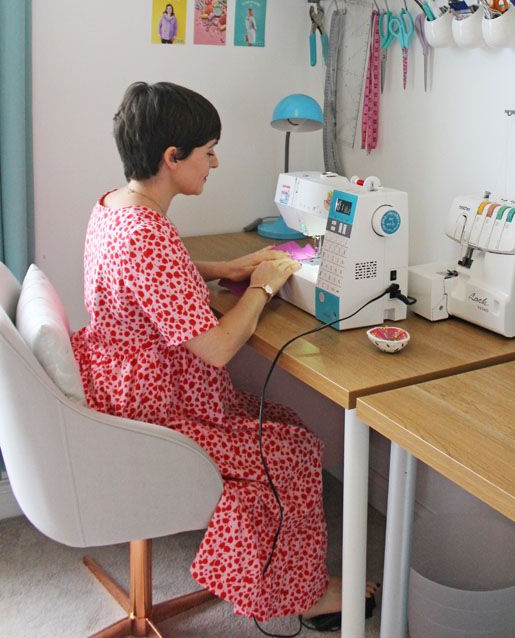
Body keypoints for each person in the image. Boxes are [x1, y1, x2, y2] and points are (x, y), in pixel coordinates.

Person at [71, 81, 376, 627]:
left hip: (121, 387)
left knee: (279, 421)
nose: (215, 161)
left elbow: (148, 272)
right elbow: (214, 349)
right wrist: (260, 285)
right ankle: (300, 595)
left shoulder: (117, 207)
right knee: (293, 450)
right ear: (173, 157)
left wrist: (222, 268)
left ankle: (276, 574)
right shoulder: (148, 234)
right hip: (153, 415)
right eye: (207, 150)